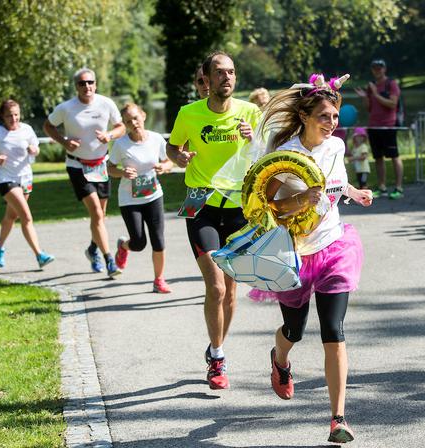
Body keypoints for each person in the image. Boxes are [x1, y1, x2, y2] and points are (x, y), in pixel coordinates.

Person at [251, 73, 372, 443]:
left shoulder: (336, 146)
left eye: (334, 116)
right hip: (295, 251)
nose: (332, 123)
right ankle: (281, 359)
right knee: (295, 330)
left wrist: (354, 192)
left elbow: (337, 182)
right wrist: (301, 200)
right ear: (304, 117)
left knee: (333, 331)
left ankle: (338, 419)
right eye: (324, 116)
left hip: (334, 246)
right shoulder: (284, 154)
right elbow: (266, 205)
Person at [166, 51, 261, 390]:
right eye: (219, 72)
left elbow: (266, 153)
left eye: (232, 72)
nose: (227, 78)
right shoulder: (188, 114)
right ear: (206, 78)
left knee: (232, 291)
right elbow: (173, 148)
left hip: (238, 208)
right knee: (216, 286)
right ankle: (218, 358)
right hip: (200, 203)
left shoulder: (250, 112)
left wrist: (255, 139)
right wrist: (180, 156)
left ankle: (214, 345)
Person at [43, 67, 125, 276]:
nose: (86, 86)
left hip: (101, 164)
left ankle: (92, 249)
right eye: (81, 83)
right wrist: (64, 141)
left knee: (101, 216)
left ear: (95, 84)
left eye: (90, 82)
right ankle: (109, 261)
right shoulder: (66, 108)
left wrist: (109, 135)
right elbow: (48, 126)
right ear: (76, 87)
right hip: (77, 165)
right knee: (96, 213)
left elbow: (121, 127)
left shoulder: (106, 103)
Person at [107, 104, 173, 293]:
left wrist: (165, 167)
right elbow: (110, 168)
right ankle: (124, 246)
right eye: (128, 121)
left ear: (143, 116)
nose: (133, 123)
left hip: (154, 195)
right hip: (130, 200)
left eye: (136, 118)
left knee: (158, 240)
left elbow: (169, 159)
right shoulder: (121, 144)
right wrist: (122, 172)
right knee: (138, 243)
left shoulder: (156, 138)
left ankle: (159, 280)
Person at [0, 99, 55, 269]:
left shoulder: (27, 129)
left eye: (16, 115)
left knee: (11, 217)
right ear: (2, 116)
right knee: (26, 217)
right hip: (6, 180)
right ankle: (39, 255)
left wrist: (33, 150)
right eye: (9, 116)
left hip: (26, 178)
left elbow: (36, 148)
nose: (13, 119)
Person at [354, 58, 403, 199]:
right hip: (373, 125)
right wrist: (365, 97)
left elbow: (393, 104)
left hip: (388, 126)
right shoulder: (371, 86)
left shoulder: (391, 84)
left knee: (394, 156)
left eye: (380, 68)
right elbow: (369, 108)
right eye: (375, 68)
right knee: (378, 158)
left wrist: (375, 94)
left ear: (384, 69)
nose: (377, 70)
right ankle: (382, 187)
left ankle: (399, 188)